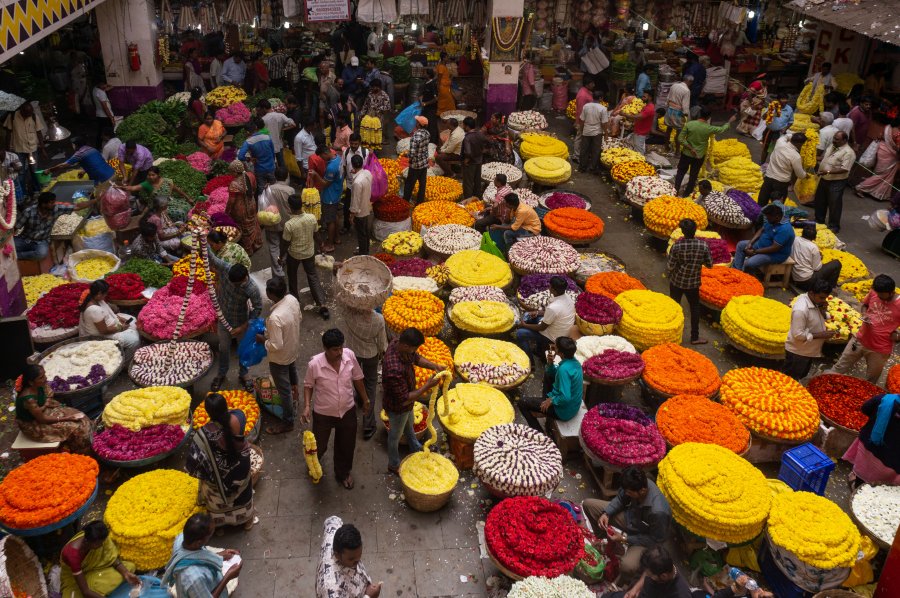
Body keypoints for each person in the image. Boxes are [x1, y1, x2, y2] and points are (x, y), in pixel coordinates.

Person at [584, 467, 675, 587]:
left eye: (629, 492)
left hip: (644, 537)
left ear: (642, 491)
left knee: (627, 566)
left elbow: (655, 540)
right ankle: (607, 543)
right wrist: (607, 513)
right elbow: (621, 498)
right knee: (588, 505)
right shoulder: (635, 484)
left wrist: (625, 539)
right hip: (630, 518)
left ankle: (621, 583)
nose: (626, 493)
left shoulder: (658, 512)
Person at [303, 329, 369, 489]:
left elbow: (358, 378)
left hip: (347, 410)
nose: (339, 352)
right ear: (325, 348)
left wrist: (365, 399)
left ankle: (343, 473)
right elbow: (308, 385)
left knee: (346, 445)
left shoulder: (349, 356)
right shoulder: (315, 364)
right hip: (323, 413)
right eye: (335, 349)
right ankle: (313, 463)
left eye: (341, 347)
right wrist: (306, 406)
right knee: (319, 445)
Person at [186, 393, 255, 529]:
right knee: (243, 493)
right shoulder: (239, 418)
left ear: (208, 413)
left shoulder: (203, 433)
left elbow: (194, 463)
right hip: (239, 471)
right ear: (226, 407)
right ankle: (247, 521)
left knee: (211, 489)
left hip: (217, 480)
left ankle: (220, 527)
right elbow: (235, 413)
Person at [382, 328, 446, 474]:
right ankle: (393, 464)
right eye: (414, 348)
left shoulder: (398, 344)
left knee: (409, 423)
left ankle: (415, 446)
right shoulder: (394, 369)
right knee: (394, 436)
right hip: (398, 406)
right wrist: (427, 385)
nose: (415, 351)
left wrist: (434, 366)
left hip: (407, 405)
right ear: (406, 346)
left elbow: (415, 358)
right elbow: (405, 397)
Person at [206, 246, 262, 392]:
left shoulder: (251, 288)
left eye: (236, 284)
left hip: (240, 321)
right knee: (223, 348)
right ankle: (221, 373)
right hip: (223, 318)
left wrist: (244, 327)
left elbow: (257, 308)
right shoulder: (226, 268)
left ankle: (244, 374)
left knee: (243, 349)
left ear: (244, 278)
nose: (233, 285)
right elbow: (211, 258)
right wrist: (202, 239)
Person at [829, 274, 900, 384]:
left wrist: (898, 336)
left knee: (870, 380)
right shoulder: (874, 292)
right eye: (877, 294)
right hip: (859, 339)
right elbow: (865, 305)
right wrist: (864, 313)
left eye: (882, 295)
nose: (879, 296)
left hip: (879, 349)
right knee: (839, 367)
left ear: (891, 292)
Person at [255, 277, 302, 436]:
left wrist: (263, 340)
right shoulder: (292, 299)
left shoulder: (275, 318)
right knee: (292, 368)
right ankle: (296, 391)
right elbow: (299, 318)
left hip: (280, 356)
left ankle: (288, 421)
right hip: (293, 345)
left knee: (283, 389)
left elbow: (276, 345)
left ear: (269, 294)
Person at [15, 364, 92, 454]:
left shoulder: (40, 384)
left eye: (44, 375)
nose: (45, 378)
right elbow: (42, 419)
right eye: (41, 377)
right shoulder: (29, 400)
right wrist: (68, 418)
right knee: (77, 428)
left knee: (82, 418)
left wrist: (46, 403)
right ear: (31, 382)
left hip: (44, 411)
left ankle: (84, 446)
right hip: (34, 425)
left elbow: (48, 393)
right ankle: (80, 455)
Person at [161, 513, 242, 596]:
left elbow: (198, 555)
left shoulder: (182, 539)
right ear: (198, 543)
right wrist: (227, 577)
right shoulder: (194, 578)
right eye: (210, 535)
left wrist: (219, 555)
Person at [517, 336, 583, 435]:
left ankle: (540, 434)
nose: (553, 348)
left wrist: (552, 400)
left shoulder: (563, 370)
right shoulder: (575, 363)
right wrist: (550, 364)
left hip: (564, 411)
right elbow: (555, 374)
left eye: (555, 347)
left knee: (522, 403)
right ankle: (544, 408)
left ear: (561, 353)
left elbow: (566, 397)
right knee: (548, 373)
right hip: (573, 405)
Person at [341, 305, 387, 441]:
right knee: (371, 385)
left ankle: (360, 398)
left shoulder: (348, 313)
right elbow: (382, 343)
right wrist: (381, 353)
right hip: (370, 354)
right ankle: (368, 424)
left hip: (352, 352)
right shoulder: (378, 319)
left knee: (356, 378)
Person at [60, 521, 139, 598]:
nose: (101, 545)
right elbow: (85, 592)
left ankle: (96, 588)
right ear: (87, 541)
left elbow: (110, 557)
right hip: (75, 580)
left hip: (95, 570)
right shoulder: (72, 555)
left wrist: (125, 573)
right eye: (99, 543)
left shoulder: (99, 536)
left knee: (129, 567)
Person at [281, 194, 330, 319]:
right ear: (301, 204)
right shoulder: (311, 218)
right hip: (309, 253)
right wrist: (321, 245)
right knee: (312, 276)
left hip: (294, 254)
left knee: (292, 276)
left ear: (290, 207)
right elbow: (317, 235)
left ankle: (295, 302)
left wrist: (281, 256)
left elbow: (285, 243)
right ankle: (322, 304)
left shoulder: (289, 225)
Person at [667, 218, 712, 345]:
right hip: (693, 283)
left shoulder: (677, 246)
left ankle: (672, 335)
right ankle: (695, 337)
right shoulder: (703, 246)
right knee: (694, 308)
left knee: (674, 307)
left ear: (682, 231)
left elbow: (670, 266)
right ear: (695, 230)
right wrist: (697, 262)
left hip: (677, 281)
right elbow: (709, 264)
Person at [674, 108, 735, 197]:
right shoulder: (709, 128)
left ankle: (675, 190)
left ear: (699, 114)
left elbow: (680, 139)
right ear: (709, 117)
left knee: (681, 172)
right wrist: (729, 122)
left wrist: (690, 148)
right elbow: (722, 129)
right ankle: (687, 195)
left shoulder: (690, 124)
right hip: (699, 156)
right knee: (693, 176)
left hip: (686, 154)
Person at [782, 279, 836, 380]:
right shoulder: (801, 310)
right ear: (811, 293)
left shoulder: (815, 301)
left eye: (825, 298)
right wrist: (821, 335)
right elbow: (798, 335)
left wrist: (823, 310)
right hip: (798, 352)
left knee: (801, 376)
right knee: (790, 379)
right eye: (821, 297)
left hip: (808, 350)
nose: (824, 300)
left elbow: (819, 316)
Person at [15, 191, 93, 260]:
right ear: (43, 204)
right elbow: (17, 226)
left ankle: (17, 256)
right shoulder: (29, 212)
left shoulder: (56, 209)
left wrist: (95, 200)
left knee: (41, 254)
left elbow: (77, 206)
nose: (54, 204)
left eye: (54, 202)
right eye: (51, 203)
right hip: (25, 239)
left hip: (41, 241)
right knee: (10, 247)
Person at [843, 393, 900, 486]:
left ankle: (857, 483)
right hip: (893, 462)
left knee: (863, 471)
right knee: (880, 484)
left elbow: (865, 408)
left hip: (869, 446)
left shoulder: (885, 399)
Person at [515, 276, 575, 364]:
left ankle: (530, 363)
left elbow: (542, 327)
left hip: (553, 337)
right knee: (534, 317)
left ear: (554, 290)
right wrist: (538, 312)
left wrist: (524, 325)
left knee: (520, 333)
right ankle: (539, 351)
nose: (548, 287)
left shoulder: (554, 308)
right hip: (561, 330)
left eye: (550, 286)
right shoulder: (567, 298)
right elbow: (554, 314)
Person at [316, 517, 381, 597]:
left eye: (359, 554)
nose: (358, 561)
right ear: (337, 555)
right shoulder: (332, 590)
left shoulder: (332, 532)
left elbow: (332, 520)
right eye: (351, 559)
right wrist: (368, 596)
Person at [78, 279, 140, 355]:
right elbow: (104, 331)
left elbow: (107, 312)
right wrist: (121, 327)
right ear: (99, 293)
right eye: (105, 294)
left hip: (108, 325)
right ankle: (126, 361)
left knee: (133, 320)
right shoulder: (94, 310)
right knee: (134, 340)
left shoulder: (95, 298)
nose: (106, 296)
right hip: (100, 337)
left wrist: (119, 318)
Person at [602, 546, 691, 598]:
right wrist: (635, 589)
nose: (647, 575)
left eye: (650, 575)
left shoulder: (681, 594)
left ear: (663, 576)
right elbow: (646, 572)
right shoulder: (661, 565)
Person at [733, 203, 795, 273]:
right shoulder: (772, 220)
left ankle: (745, 277)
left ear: (777, 217)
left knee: (749, 263)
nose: (767, 219)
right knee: (741, 245)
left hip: (774, 254)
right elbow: (761, 229)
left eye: (768, 218)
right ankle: (736, 270)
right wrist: (751, 243)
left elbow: (774, 248)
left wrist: (754, 252)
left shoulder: (785, 229)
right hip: (761, 245)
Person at [815, 130, 855, 232]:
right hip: (824, 178)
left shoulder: (849, 153)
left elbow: (844, 169)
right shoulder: (831, 146)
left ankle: (834, 226)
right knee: (820, 200)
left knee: (834, 203)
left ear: (844, 140)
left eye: (837, 139)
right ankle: (819, 220)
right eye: (834, 138)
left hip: (837, 181)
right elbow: (824, 158)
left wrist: (828, 171)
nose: (834, 140)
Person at [3, 102, 45, 196]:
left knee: (34, 170)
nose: (28, 116)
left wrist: (42, 148)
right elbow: (8, 133)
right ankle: (23, 194)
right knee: (20, 173)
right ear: (21, 110)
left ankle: (36, 190)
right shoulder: (12, 116)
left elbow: (39, 132)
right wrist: (8, 151)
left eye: (29, 114)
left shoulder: (33, 116)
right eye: (26, 114)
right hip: (19, 150)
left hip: (32, 149)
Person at [258, 167, 292, 279]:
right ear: (287, 176)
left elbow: (264, 204)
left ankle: (278, 272)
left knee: (273, 247)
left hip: (271, 222)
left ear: (275, 176)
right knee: (285, 245)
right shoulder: (290, 190)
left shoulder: (268, 189)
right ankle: (283, 261)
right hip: (286, 223)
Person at [757, 133, 807, 207]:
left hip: (768, 178)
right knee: (777, 207)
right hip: (781, 183)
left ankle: (759, 217)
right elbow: (800, 174)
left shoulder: (780, 143)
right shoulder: (796, 156)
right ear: (800, 144)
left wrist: (792, 136)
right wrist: (806, 175)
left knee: (762, 201)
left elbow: (786, 136)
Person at [46, 137, 115, 189]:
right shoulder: (92, 149)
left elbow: (62, 166)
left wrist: (50, 170)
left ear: (75, 145)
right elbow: (97, 162)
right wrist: (84, 171)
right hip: (112, 174)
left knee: (100, 199)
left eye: (72, 145)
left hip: (103, 180)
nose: (72, 146)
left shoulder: (79, 154)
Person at [119, 165, 193, 213]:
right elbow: (133, 188)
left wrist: (188, 198)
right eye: (149, 175)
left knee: (186, 207)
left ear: (158, 175)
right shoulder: (146, 184)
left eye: (153, 175)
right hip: (157, 207)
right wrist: (123, 187)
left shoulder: (166, 181)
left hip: (168, 202)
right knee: (180, 213)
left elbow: (178, 190)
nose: (151, 177)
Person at [790, 225, 842, 291]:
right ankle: (829, 288)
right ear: (814, 237)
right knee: (836, 263)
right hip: (807, 281)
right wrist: (820, 258)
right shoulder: (813, 247)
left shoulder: (795, 239)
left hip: (794, 276)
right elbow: (816, 268)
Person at [226, 160, 263, 255]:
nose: (231, 174)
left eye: (231, 172)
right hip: (251, 204)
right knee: (253, 223)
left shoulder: (234, 184)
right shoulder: (250, 175)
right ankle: (257, 244)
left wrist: (226, 212)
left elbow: (231, 201)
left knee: (244, 229)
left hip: (241, 209)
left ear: (235, 171)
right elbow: (254, 189)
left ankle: (248, 249)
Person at [855, 124, 900, 202]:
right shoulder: (898, 133)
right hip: (890, 154)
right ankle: (861, 187)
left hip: (881, 149)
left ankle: (876, 192)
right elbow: (898, 148)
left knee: (879, 173)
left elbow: (879, 136)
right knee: (882, 175)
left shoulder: (887, 127)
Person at [341, 133, 369, 234]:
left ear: (359, 143)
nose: (353, 146)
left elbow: (366, 169)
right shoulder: (346, 152)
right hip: (349, 184)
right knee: (347, 207)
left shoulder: (365, 153)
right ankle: (346, 226)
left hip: (361, 184)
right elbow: (344, 167)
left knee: (361, 207)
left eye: (355, 144)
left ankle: (361, 228)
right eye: (351, 143)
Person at [257, 99, 296, 167]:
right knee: (281, 163)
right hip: (279, 144)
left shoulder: (263, 119)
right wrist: (283, 129)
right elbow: (293, 124)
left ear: (263, 108)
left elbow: (259, 132)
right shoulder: (280, 115)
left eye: (260, 109)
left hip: (268, 146)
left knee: (271, 165)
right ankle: (284, 176)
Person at [349, 154, 373, 255]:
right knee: (366, 232)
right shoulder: (367, 173)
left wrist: (352, 215)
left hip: (360, 211)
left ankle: (363, 253)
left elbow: (355, 201)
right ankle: (365, 249)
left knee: (361, 234)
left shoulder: (357, 183)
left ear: (352, 165)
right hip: (367, 206)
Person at [320, 150, 344, 253]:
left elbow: (325, 184)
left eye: (322, 156)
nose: (322, 159)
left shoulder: (331, 168)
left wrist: (316, 176)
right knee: (335, 216)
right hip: (337, 192)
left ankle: (330, 244)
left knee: (330, 221)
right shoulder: (338, 158)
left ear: (325, 153)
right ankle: (336, 238)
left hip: (330, 196)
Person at [579, 91, 609, 173]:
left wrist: (581, 129)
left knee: (584, 149)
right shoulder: (603, 109)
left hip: (586, 131)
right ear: (600, 98)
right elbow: (604, 123)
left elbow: (582, 120)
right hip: (597, 133)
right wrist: (606, 133)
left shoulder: (586, 106)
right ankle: (593, 167)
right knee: (595, 150)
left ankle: (582, 167)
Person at [403, 116, 430, 204]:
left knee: (409, 184)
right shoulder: (427, 133)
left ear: (419, 124)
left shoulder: (416, 136)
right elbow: (424, 149)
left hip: (415, 165)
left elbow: (413, 153)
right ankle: (419, 203)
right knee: (422, 185)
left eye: (416, 122)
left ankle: (405, 202)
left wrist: (406, 155)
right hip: (424, 163)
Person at [760, 92, 794, 161]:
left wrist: (785, 128)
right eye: (782, 99)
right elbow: (763, 117)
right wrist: (771, 111)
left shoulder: (789, 109)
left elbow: (791, 121)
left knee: (776, 150)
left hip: (779, 133)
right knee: (765, 148)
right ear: (778, 100)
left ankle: (772, 165)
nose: (785, 100)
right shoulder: (772, 106)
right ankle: (762, 163)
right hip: (769, 131)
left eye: (786, 99)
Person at [460, 117, 487, 198]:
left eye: (464, 125)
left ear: (467, 126)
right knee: (477, 181)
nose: (463, 127)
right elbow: (488, 142)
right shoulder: (480, 134)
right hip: (479, 161)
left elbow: (468, 152)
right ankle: (477, 198)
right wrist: (482, 151)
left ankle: (468, 200)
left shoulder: (467, 138)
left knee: (468, 183)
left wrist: (467, 159)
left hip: (470, 163)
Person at [573, 79, 597, 164]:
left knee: (583, 138)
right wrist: (579, 122)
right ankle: (576, 156)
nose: (593, 85)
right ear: (587, 84)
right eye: (592, 83)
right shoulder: (583, 95)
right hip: (582, 120)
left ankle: (582, 154)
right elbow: (580, 110)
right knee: (579, 137)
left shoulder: (586, 91)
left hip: (586, 120)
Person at [664, 75, 692, 140]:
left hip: (670, 110)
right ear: (690, 81)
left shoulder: (674, 85)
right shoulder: (686, 91)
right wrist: (686, 116)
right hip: (678, 113)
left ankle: (666, 146)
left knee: (668, 129)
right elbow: (685, 106)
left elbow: (668, 98)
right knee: (679, 132)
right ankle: (677, 149)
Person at [629, 89, 656, 155]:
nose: (642, 98)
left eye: (644, 97)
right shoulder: (646, 106)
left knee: (639, 150)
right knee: (637, 147)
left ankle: (640, 162)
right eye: (642, 96)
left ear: (650, 98)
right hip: (639, 130)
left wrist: (624, 114)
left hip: (641, 132)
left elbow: (638, 117)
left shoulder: (649, 108)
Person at [92, 82, 115, 148]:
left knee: (100, 131)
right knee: (108, 132)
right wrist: (111, 118)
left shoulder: (95, 89)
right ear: (100, 84)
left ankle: (98, 146)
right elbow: (105, 107)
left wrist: (106, 86)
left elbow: (110, 87)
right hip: (105, 116)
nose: (105, 86)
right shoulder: (101, 93)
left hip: (99, 115)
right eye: (104, 84)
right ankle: (109, 146)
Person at [419, 69, 439, 141]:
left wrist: (425, 103)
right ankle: (427, 139)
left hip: (431, 109)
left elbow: (436, 98)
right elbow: (422, 94)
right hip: (425, 108)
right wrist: (421, 101)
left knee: (432, 125)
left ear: (428, 75)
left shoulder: (432, 84)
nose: (423, 74)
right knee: (425, 123)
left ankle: (434, 141)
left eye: (425, 72)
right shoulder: (425, 83)